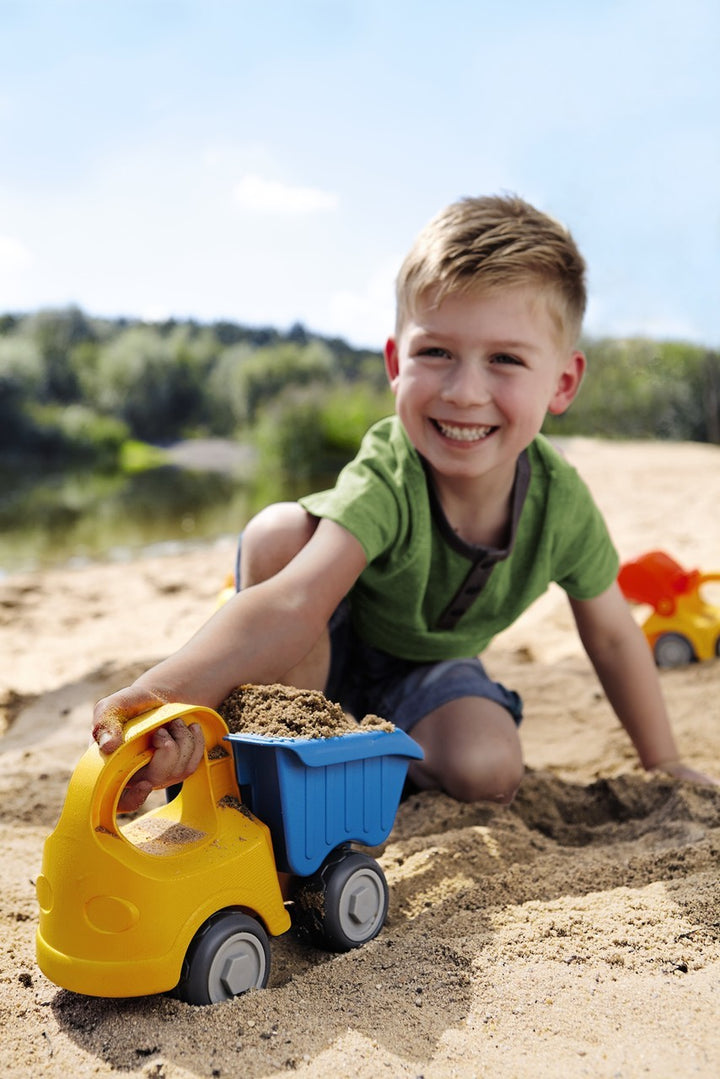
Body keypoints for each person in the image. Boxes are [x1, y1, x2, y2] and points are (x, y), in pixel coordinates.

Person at [93, 194, 717, 813]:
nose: (465, 391)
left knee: (491, 770)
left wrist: (662, 763)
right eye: (436, 352)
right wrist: (156, 694)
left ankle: (364, 753)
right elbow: (295, 603)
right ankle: (261, 753)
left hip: (426, 671)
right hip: (315, 651)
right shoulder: (391, 471)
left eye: (505, 359)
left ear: (562, 382)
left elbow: (612, 636)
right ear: (396, 361)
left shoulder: (560, 503)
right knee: (278, 534)